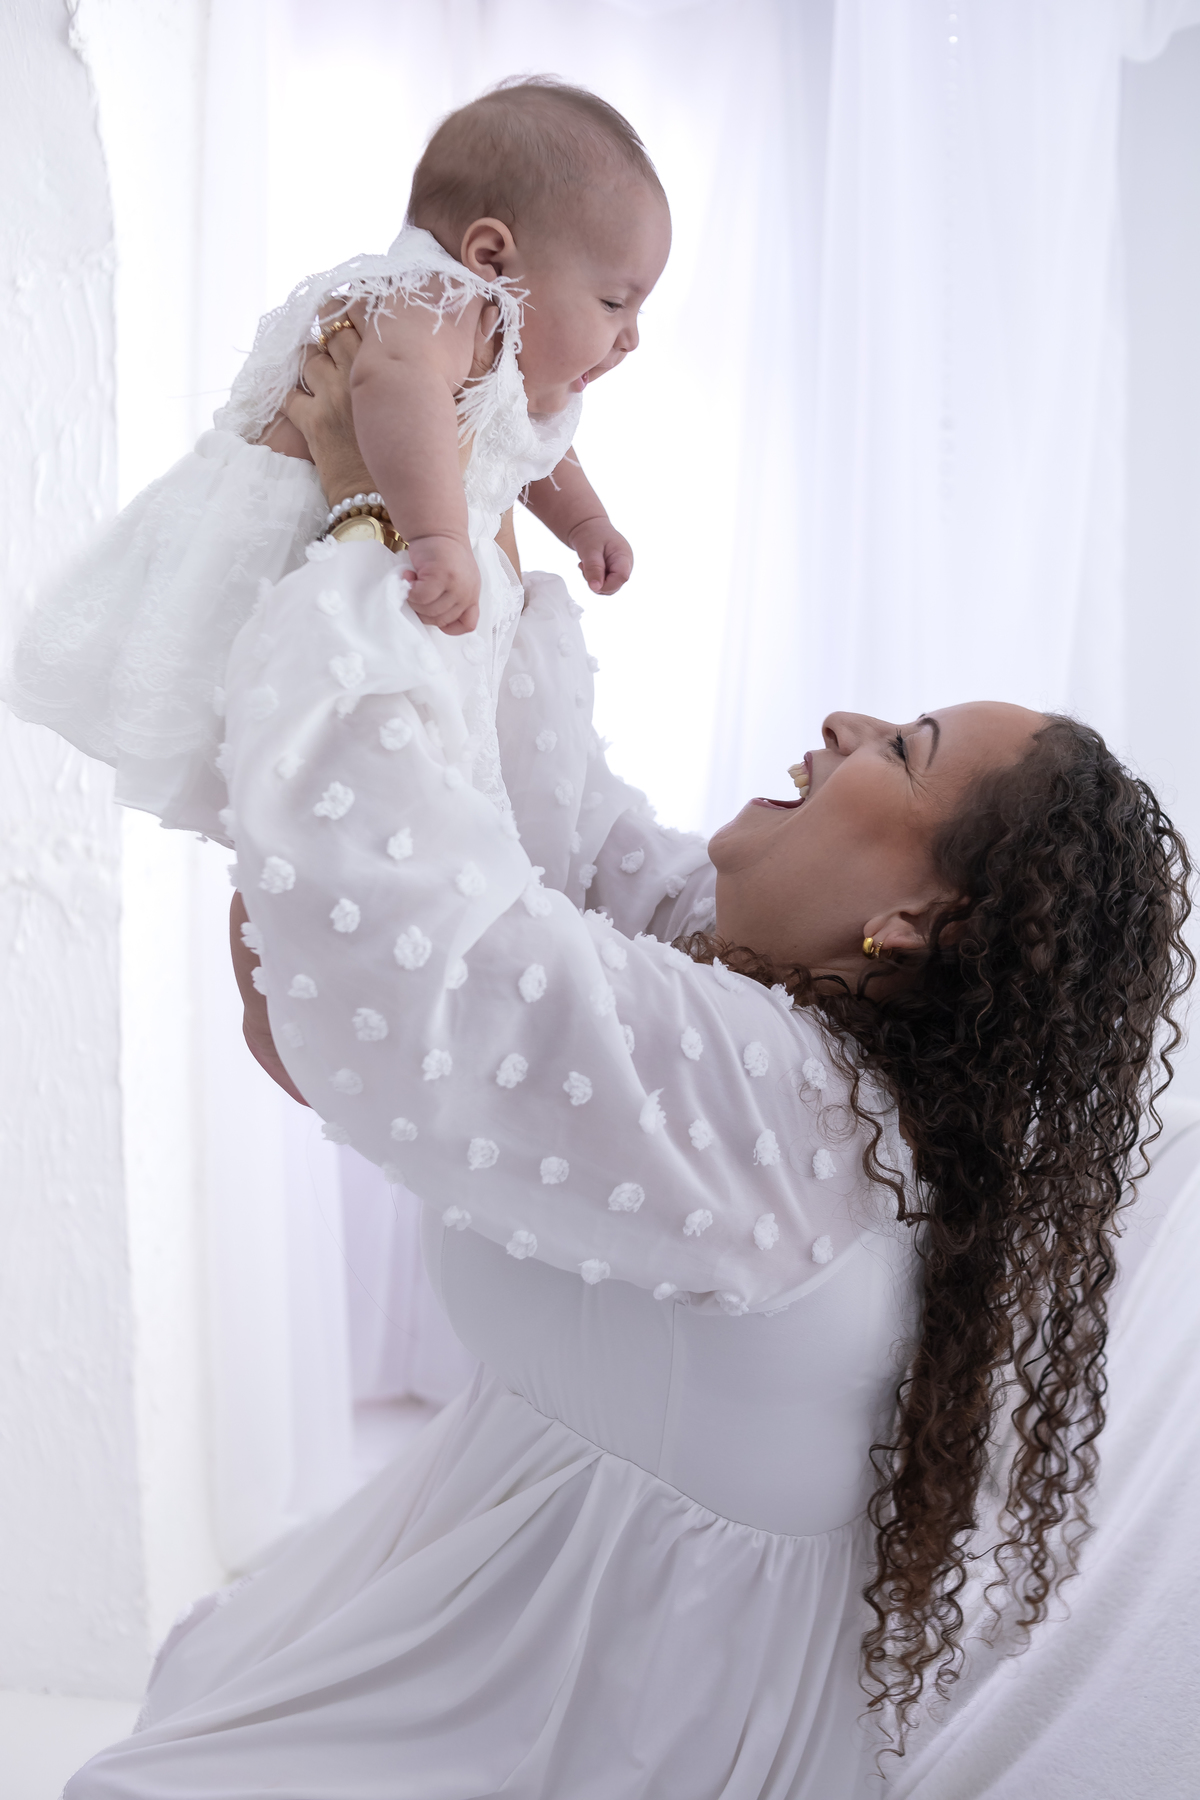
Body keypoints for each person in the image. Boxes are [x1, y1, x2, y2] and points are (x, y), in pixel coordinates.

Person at [63, 315, 1192, 1800]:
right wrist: (479, 478)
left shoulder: (795, 1116)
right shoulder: (807, 1045)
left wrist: (372, 516)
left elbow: (444, 945)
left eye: (902, 748)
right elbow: (571, 837)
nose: (845, 720)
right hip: (481, 1644)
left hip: (581, 1740)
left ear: (916, 919)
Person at [2, 77, 668, 839]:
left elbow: (534, 447)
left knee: (347, 826)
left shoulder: (503, 347)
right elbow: (396, 388)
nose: (631, 336)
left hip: (385, 577)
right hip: (295, 563)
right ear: (490, 256)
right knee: (292, 819)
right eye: (616, 303)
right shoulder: (439, 300)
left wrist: (587, 523)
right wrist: (442, 537)